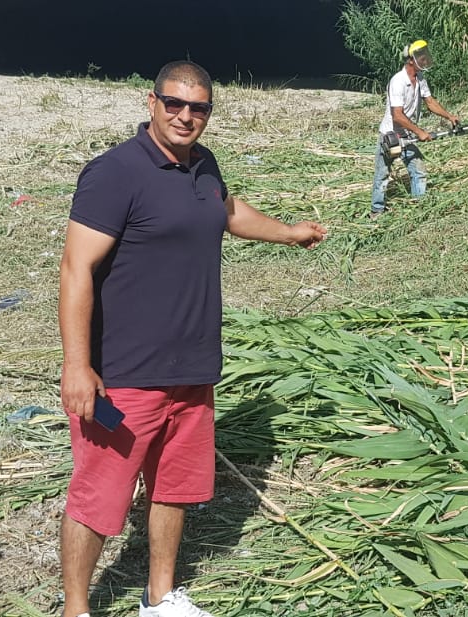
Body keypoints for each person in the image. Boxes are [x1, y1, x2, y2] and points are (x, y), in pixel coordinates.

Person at [57, 60, 326, 617]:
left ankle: (160, 597)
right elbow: (75, 269)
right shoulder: (115, 173)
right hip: (126, 373)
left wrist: (288, 232)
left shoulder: (204, 165)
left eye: (198, 107)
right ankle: (76, 608)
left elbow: (226, 210)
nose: (185, 116)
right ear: (151, 102)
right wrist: (77, 366)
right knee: (99, 498)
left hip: (193, 366)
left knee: (173, 488)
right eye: (174, 103)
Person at [371, 39, 462, 217]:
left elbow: (430, 102)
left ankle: (418, 209)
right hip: (390, 136)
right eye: (421, 57)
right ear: (411, 60)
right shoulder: (398, 81)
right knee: (382, 175)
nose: (425, 60)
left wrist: (449, 116)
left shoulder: (420, 79)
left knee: (418, 170)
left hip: (406, 135)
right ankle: (376, 211)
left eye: (425, 56)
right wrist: (419, 132)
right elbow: (397, 115)